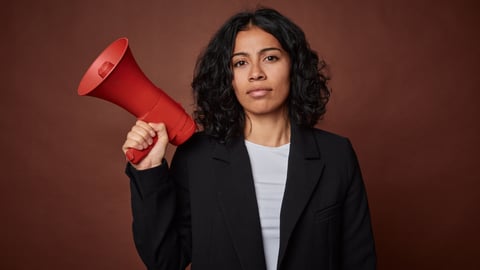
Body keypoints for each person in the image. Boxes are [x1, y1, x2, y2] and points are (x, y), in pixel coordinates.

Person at [122, 7, 376, 270]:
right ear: (227, 78)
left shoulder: (336, 154)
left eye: (270, 58)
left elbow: (359, 260)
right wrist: (148, 170)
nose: (256, 73)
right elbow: (165, 260)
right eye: (240, 63)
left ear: (294, 67)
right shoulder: (196, 156)